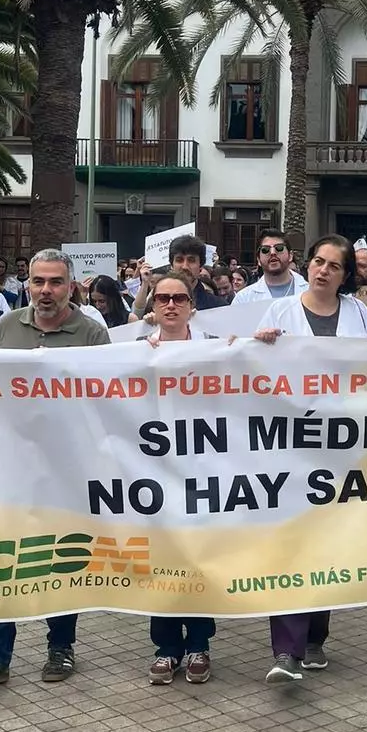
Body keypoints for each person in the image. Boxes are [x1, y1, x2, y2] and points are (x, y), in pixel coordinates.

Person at [0, 250, 111, 693]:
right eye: (38, 281)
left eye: (56, 282)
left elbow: (109, 400)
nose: (46, 291)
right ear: (27, 283)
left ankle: (61, 646)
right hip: (9, 467)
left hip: (67, 470)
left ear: (71, 286)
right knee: (0, 554)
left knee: (61, 556)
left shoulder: (92, 334)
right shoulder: (7, 327)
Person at [254, 235, 367, 682]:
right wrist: (259, 343)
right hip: (290, 445)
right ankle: (286, 651)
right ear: (307, 264)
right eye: (318, 262)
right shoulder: (280, 311)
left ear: (345, 274)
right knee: (292, 543)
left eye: (334, 266)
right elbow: (248, 364)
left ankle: (315, 637)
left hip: (340, 448)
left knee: (328, 544)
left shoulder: (356, 312)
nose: (323, 271)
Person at [134, 270, 220, 683]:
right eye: (162, 297)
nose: (170, 304)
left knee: (199, 560)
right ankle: (167, 648)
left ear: (192, 306)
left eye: (179, 298)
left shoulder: (215, 350)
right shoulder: (133, 352)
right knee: (162, 562)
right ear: (152, 305)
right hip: (153, 475)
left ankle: (200, 645)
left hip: (202, 474)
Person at [132, 235, 227, 315]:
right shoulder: (157, 301)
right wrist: (145, 283)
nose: (185, 266)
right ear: (171, 265)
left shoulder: (219, 307)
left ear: (200, 267)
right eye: (179, 260)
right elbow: (136, 317)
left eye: (191, 260)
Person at [236, 231, 305, 302]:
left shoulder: (310, 291)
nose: (272, 253)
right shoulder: (243, 299)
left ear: (290, 256)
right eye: (265, 250)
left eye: (279, 248)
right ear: (259, 260)